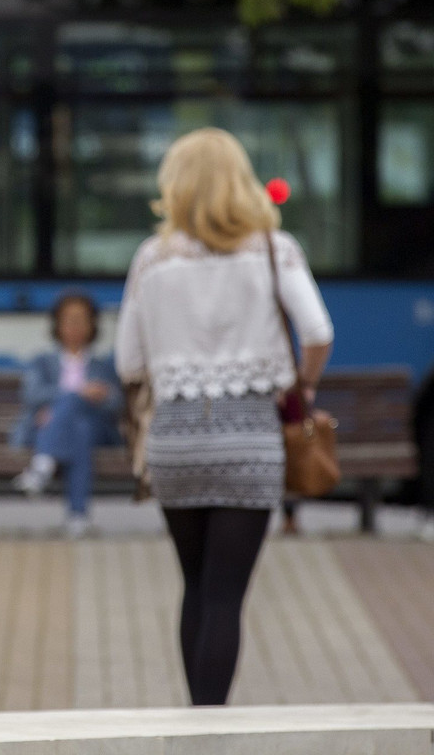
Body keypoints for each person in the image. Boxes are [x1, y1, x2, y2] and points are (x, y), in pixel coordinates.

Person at [114, 128, 334, 706]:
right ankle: (210, 724)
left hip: (174, 441)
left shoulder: (151, 257)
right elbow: (317, 332)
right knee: (225, 596)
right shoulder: (272, 248)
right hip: (250, 437)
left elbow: (127, 360)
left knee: (194, 585)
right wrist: (303, 385)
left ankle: (194, 720)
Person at [9, 291, 123, 538]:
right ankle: (78, 517)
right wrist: (76, 394)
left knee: (78, 417)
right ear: (58, 325)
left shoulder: (102, 365)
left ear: (92, 325)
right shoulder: (42, 362)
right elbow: (31, 395)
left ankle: (42, 464)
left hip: (93, 430)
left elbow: (116, 402)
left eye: (81, 320)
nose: (75, 326)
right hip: (72, 431)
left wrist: (98, 396)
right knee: (78, 426)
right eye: (69, 320)